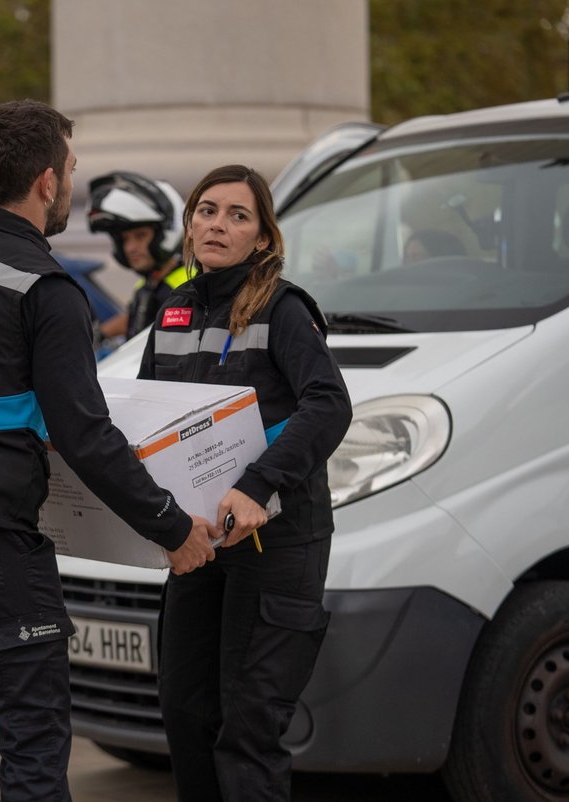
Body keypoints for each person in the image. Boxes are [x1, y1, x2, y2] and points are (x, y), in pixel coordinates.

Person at [0, 99, 219, 802]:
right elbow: (83, 434)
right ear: (48, 182)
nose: (70, 185)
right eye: (72, 170)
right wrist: (171, 528)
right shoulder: (47, 289)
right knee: (33, 725)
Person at [138, 164, 352, 802]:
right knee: (185, 714)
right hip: (197, 543)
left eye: (237, 215)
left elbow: (328, 405)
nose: (217, 224)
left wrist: (258, 487)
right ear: (189, 224)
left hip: (277, 545)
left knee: (248, 731)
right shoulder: (171, 310)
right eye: (207, 210)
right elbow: (146, 413)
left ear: (263, 238)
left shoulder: (283, 309)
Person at [88, 170, 189, 341]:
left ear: (164, 234)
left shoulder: (185, 290)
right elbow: (138, 319)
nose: (130, 248)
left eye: (140, 236)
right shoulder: (150, 283)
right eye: (125, 239)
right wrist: (99, 333)